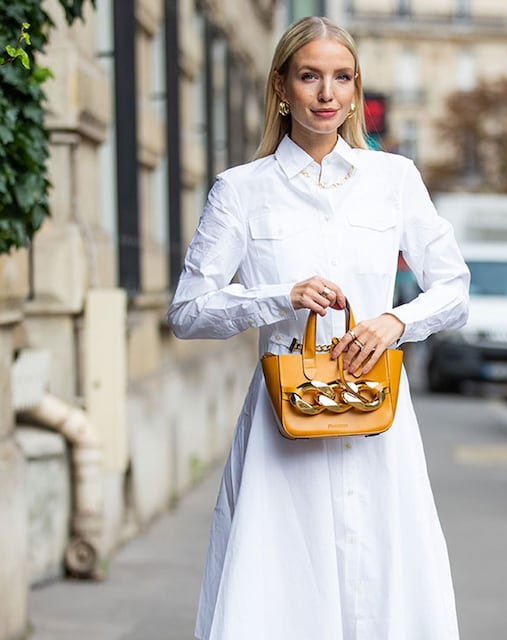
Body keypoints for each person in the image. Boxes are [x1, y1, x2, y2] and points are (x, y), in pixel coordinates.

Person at [167, 16, 470, 640]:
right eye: (310, 76)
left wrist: (395, 321)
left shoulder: (394, 181)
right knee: (280, 594)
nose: (326, 93)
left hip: (379, 418)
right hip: (285, 424)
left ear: (357, 90)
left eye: (341, 77)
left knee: (386, 581)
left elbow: (455, 288)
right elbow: (188, 311)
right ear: (282, 86)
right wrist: (280, 297)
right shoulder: (240, 192)